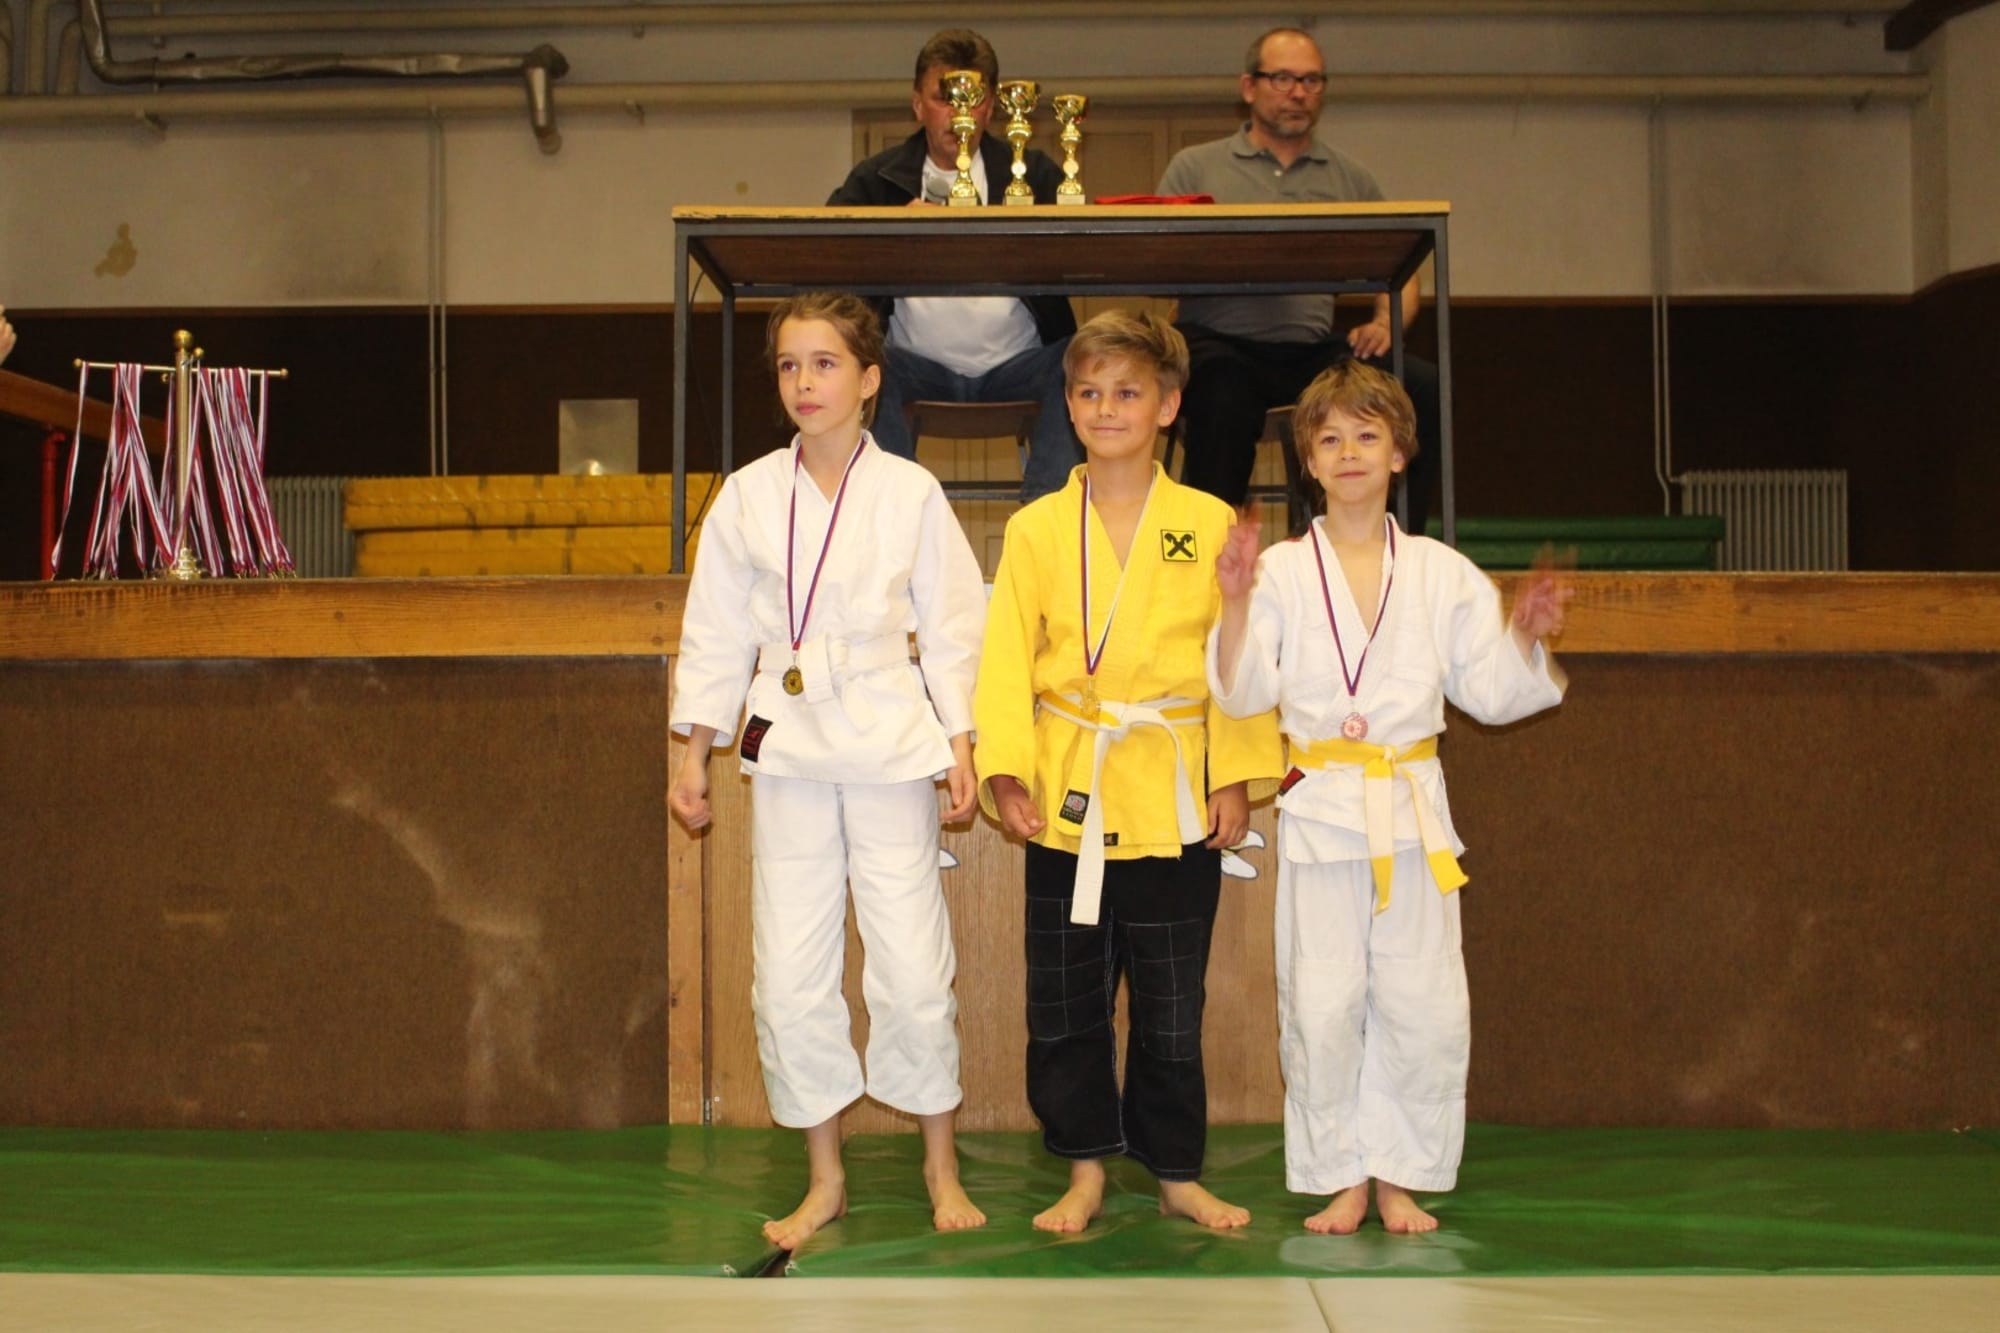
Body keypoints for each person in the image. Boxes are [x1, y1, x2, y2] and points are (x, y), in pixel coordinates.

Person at [1209, 360, 1568, 1234]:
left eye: (1367, 435)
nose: (1349, 452)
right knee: (1322, 1001)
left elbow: (1490, 690)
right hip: (1323, 806)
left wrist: (1523, 634)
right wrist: (1234, 603)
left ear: (1400, 452)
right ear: (1307, 461)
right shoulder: (1283, 570)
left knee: (1421, 1000)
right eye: (1330, 438)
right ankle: (1342, 1176)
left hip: (1409, 809)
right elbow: (1244, 690)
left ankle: (1401, 1174)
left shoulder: (1442, 571)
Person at [669, 292, 988, 1250]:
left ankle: (940, 1163)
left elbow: (954, 623)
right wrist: (693, 748)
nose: (804, 383)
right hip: (789, 738)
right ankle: (825, 1177)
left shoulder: (911, 492)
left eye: (825, 363)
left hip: (888, 729)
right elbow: (716, 629)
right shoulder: (747, 494)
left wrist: (962, 739)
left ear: (869, 378)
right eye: (788, 365)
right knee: (790, 970)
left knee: (913, 963)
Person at [974, 309, 1283, 1234]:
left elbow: (1235, 651)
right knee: (1065, 999)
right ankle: (1083, 1169)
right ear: (1068, 405)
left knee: (1172, 1003)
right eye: (1089, 392)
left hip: (1174, 790)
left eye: (1128, 392)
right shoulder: (1034, 528)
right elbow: (1003, 660)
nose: (1107, 408)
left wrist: (1234, 773)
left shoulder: (1206, 521)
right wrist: (1005, 769)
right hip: (1069, 788)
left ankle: (1176, 1170)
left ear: (1169, 405)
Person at [1158, 27, 1442, 536]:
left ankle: (1398, 546)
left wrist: (1385, 323)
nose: (1298, 92)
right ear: (1249, 87)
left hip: (1312, 353)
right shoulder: (1195, 166)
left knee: (1420, 384)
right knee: (1221, 390)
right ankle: (1207, 554)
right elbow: (1157, 259)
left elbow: (1403, 266)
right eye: (1284, 78)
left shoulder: (1349, 178)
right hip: (1218, 345)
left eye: (1311, 81)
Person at [826, 28, 1081, 503]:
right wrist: (893, 234)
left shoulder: (1035, 173)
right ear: (918, 105)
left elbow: (1079, 253)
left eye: (972, 99)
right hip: (912, 366)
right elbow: (828, 253)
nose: (958, 113)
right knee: (864, 365)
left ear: (991, 107)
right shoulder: (876, 181)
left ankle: (1047, 516)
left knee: (1082, 358)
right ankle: (893, 514)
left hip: (1020, 364)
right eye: (944, 99)